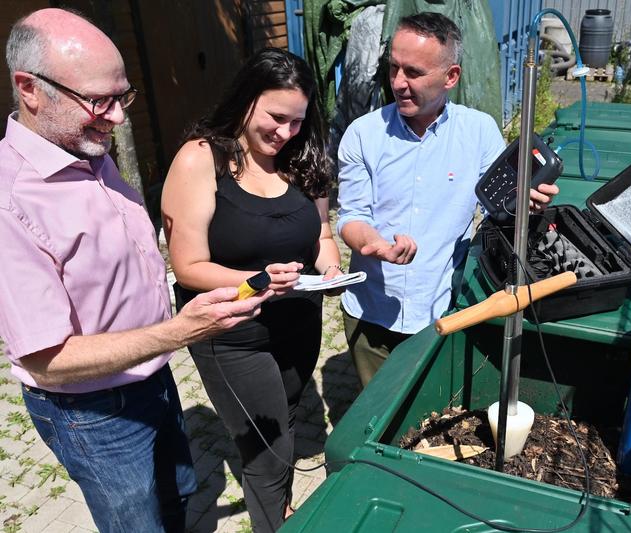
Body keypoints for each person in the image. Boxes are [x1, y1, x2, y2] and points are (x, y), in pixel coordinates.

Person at [0, 8, 281, 533]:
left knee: (177, 498)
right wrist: (181, 330)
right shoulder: (10, 201)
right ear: (30, 89)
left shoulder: (86, 147)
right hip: (93, 408)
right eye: (98, 100)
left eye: (122, 96)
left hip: (152, 373)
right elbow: (45, 360)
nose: (118, 118)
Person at [160, 47, 339, 532]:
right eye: (276, 118)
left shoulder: (303, 157)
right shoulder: (202, 159)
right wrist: (257, 281)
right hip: (233, 330)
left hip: (299, 320)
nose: (286, 134)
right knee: (268, 449)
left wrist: (330, 267)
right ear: (245, 101)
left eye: (297, 122)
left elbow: (321, 233)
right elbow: (188, 266)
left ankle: (278, 509)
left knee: (289, 415)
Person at [337, 12, 560, 386]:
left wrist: (529, 203)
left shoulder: (479, 131)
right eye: (393, 68)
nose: (398, 82)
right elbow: (351, 217)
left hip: (442, 309)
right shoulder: (363, 135)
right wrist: (374, 245)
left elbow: (501, 211)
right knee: (372, 418)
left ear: (450, 77)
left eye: (413, 72)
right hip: (371, 310)